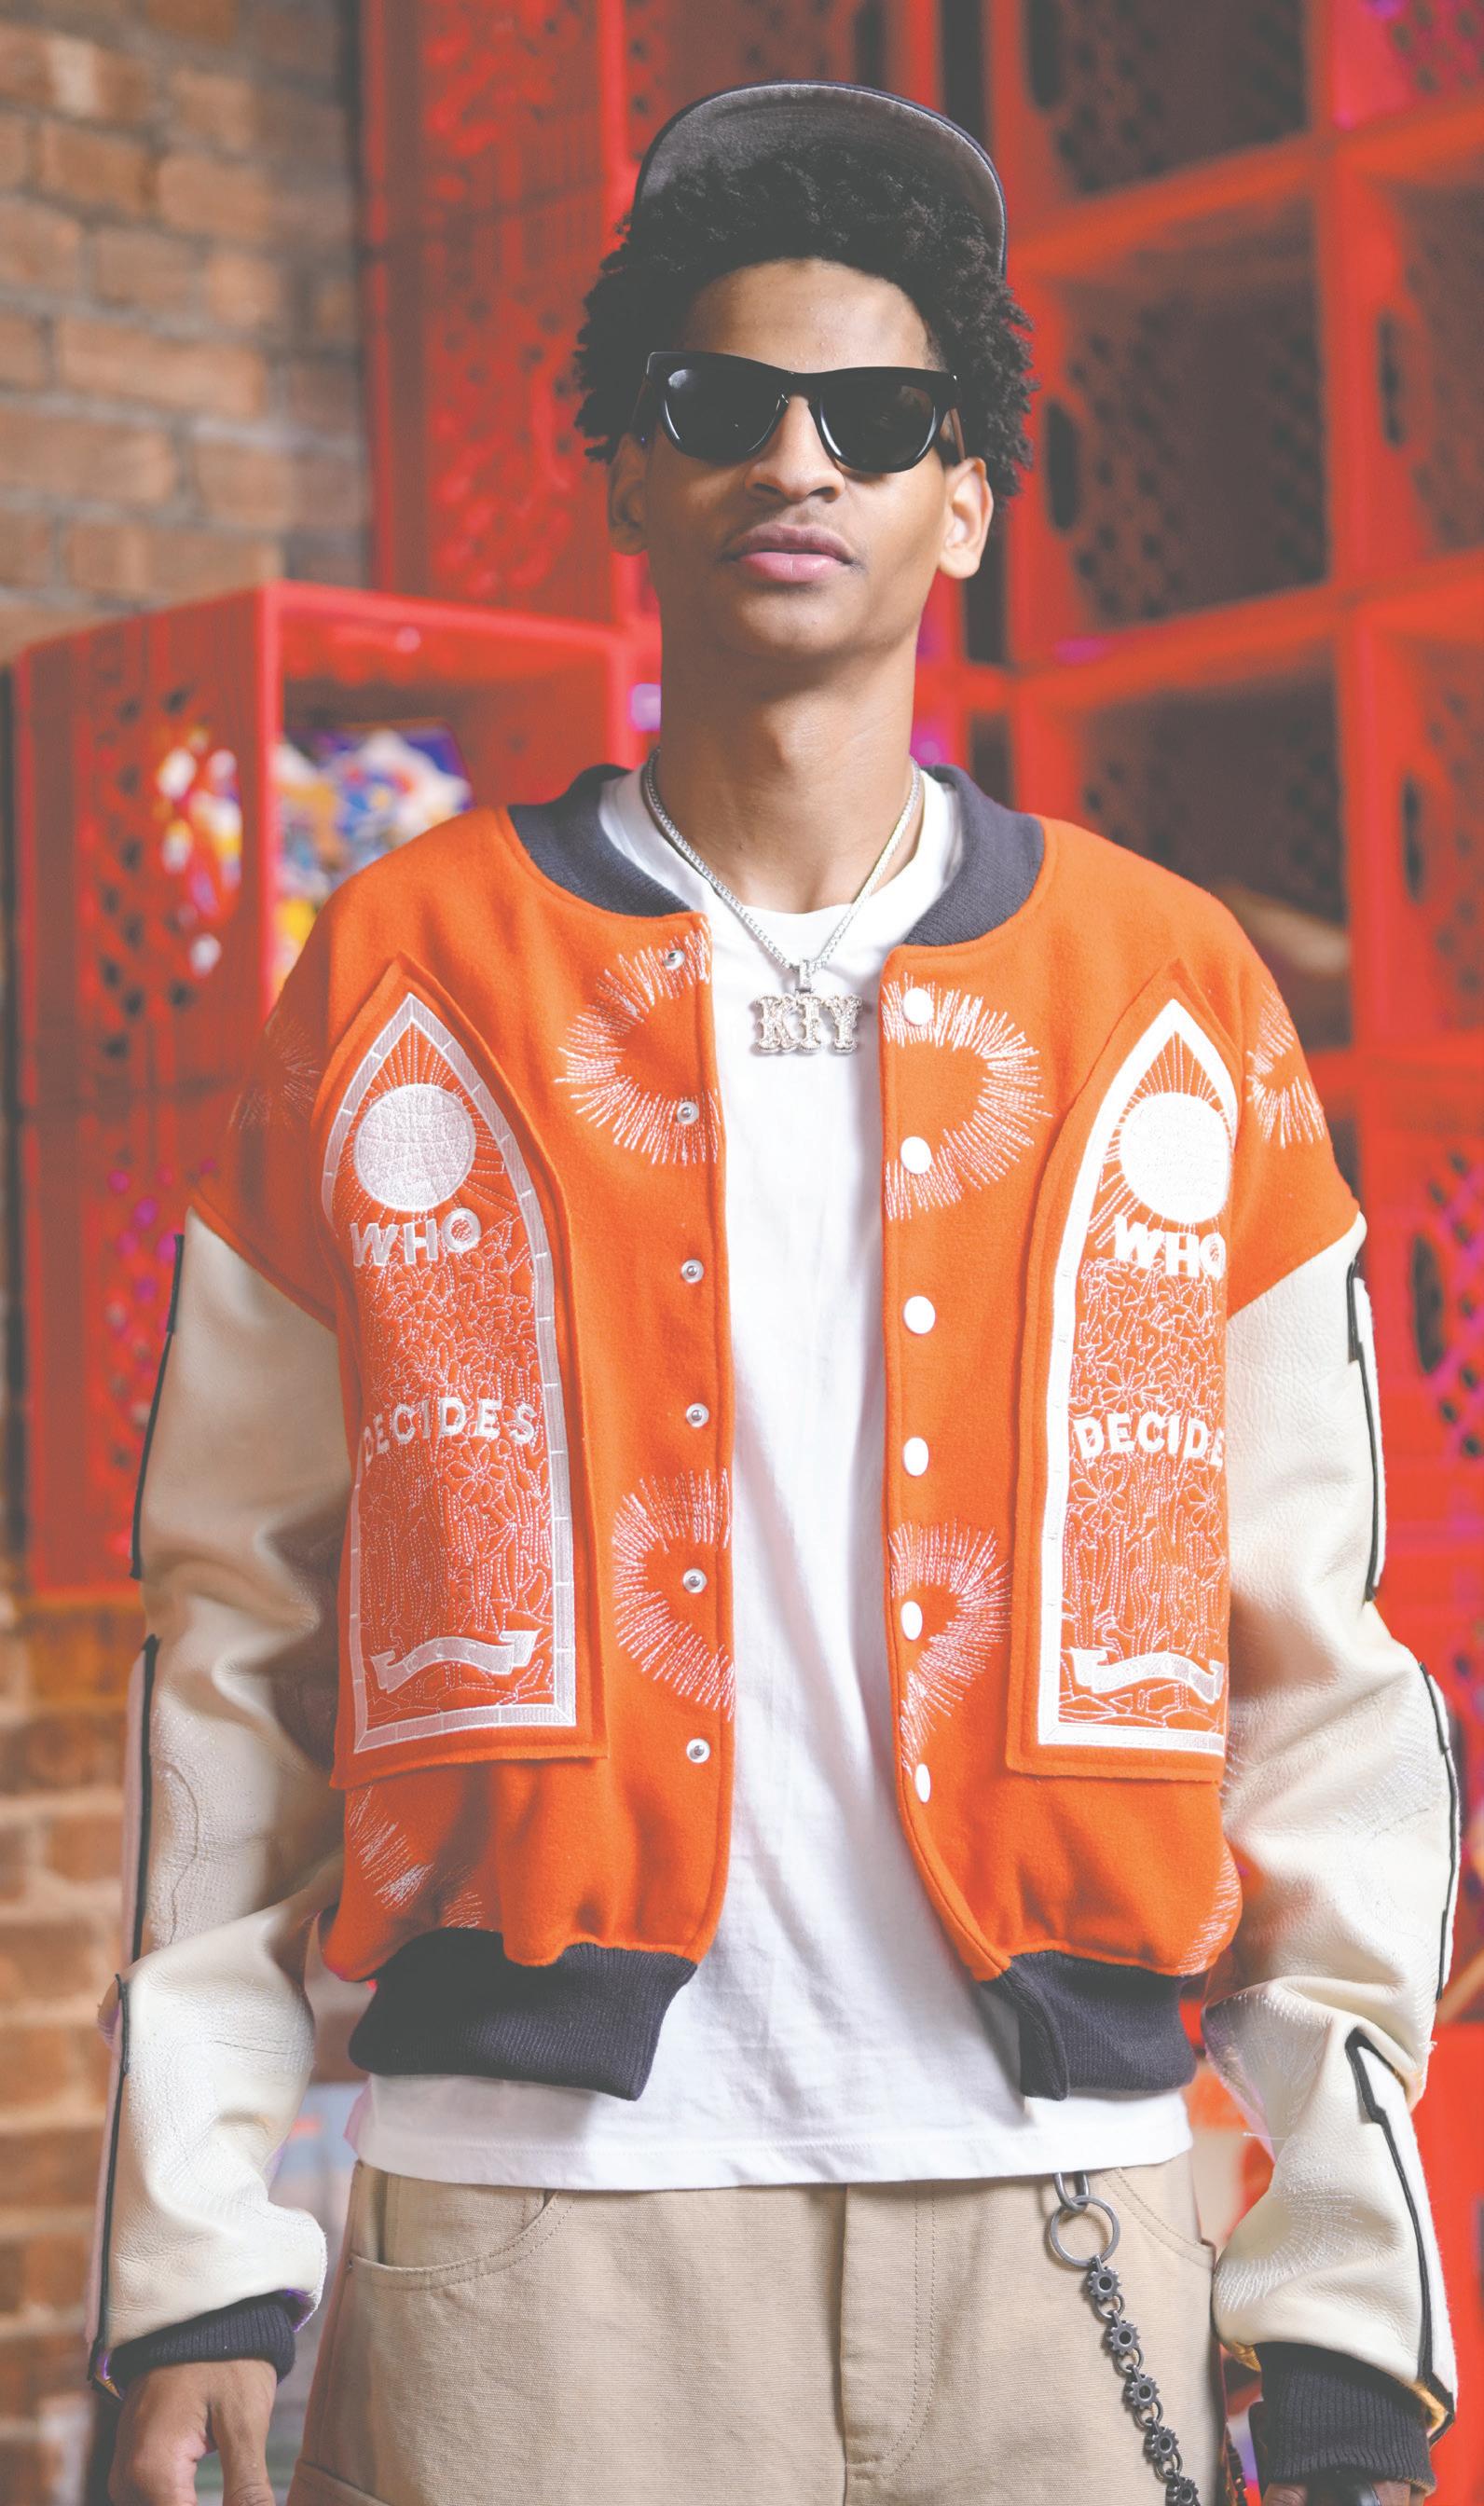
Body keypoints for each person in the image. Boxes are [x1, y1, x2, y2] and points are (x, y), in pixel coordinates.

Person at [91, 80, 1455, 2506]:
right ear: (628, 467)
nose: (796, 460)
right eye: (721, 401)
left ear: (969, 497)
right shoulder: (408, 973)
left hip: (1061, 2226)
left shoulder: (1168, 998)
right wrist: (197, 2248)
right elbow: (238, 1640)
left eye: (879, 418)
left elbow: (1312, 1669)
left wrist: (1344, 2277)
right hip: (537, 2254)